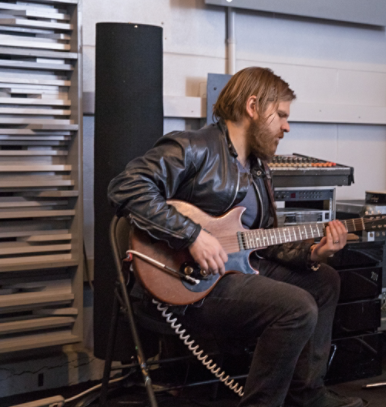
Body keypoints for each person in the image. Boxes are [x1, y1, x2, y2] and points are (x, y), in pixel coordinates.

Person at [108, 67, 366, 407]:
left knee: (325, 281)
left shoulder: (258, 167)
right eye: (282, 116)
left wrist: (313, 254)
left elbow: (262, 239)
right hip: (188, 282)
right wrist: (192, 236)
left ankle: (307, 395)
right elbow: (125, 187)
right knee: (296, 306)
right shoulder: (193, 146)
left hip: (236, 271)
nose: (287, 127)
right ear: (253, 106)